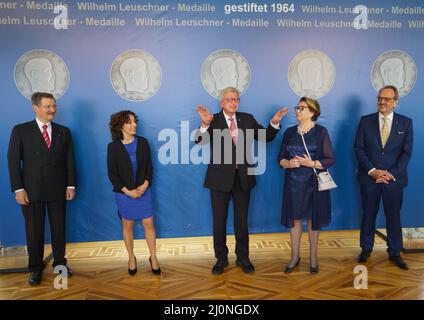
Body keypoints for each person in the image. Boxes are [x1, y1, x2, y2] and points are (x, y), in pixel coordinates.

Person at [195, 87, 288, 275]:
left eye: (236, 99)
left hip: (243, 179)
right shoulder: (213, 120)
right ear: (222, 103)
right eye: (229, 99)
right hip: (219, 180)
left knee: (241, 221)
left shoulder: (247, 119)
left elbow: (265, 136)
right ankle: (221, 259)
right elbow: (199, 141)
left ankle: (243, 257)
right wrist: (204, 125)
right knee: (219, 222)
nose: (234, 102)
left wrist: (274, 122)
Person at [7, 92, 76, 285]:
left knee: (59, 230)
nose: (52, 110)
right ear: (35, 107)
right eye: (47, 106)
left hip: (58, 189)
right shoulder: (20, 130)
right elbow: (13, 161)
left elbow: (70, 160)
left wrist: (70, 185)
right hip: (31, 191)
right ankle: (35, 269)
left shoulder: (64, 131)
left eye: (54, 106)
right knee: (34, 232)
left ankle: (60, 264)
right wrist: (18, 189)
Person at [354, 85, 413, 270]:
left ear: (395, 102)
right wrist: (373, 171)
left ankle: (395, 252)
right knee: (368, 215)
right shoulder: (365, 121)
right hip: (370, 178)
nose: (382, 101)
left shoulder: (406, 123)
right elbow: (359, 148)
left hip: (393, 180)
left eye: (387, 99)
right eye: (380, 98)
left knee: (393, 216)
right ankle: (366, 249)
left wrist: (392, 173)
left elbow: (406, 153)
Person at [278, 97, 335, 274]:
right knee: (295, 221)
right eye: (297, 107)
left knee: (313, 220)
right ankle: (295, 257)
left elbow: (329, 159)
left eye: (302, 108)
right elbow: (280, 158)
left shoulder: (321, 132)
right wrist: (288, 164)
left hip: (313, 182)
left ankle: (313, 258)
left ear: (312, 112)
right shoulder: (288, 132)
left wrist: (312, 163)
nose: (298, 111)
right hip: (293, 183)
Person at [107, 110, 161, 276]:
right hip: (124, 194)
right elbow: (112, 174)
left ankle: (154, 257)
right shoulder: (113, 147)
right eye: (129, 122)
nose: (134, 125)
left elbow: (149, 168)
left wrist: (145, 185)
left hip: (144, 190)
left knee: (149, 225)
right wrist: (127, 192)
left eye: (134, 121)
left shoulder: (143, 142)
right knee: (127, 226)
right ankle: (131, 258)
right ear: (120, 126)